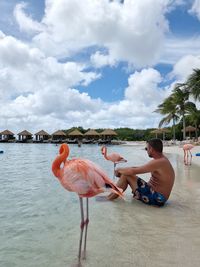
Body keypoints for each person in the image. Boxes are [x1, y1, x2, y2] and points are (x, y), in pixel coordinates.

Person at [107, 138, 175, 207]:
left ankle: (108, 199)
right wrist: (122, 170)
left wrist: (118, 170)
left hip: (158, 198)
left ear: (151, 149)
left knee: (126, 175)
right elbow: (137, 169)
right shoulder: (161, 160)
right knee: (126, 174)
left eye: (146, 148)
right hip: (156, 195)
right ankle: (110, 197)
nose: (146, 151)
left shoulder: (159, 162)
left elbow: (133, 171)